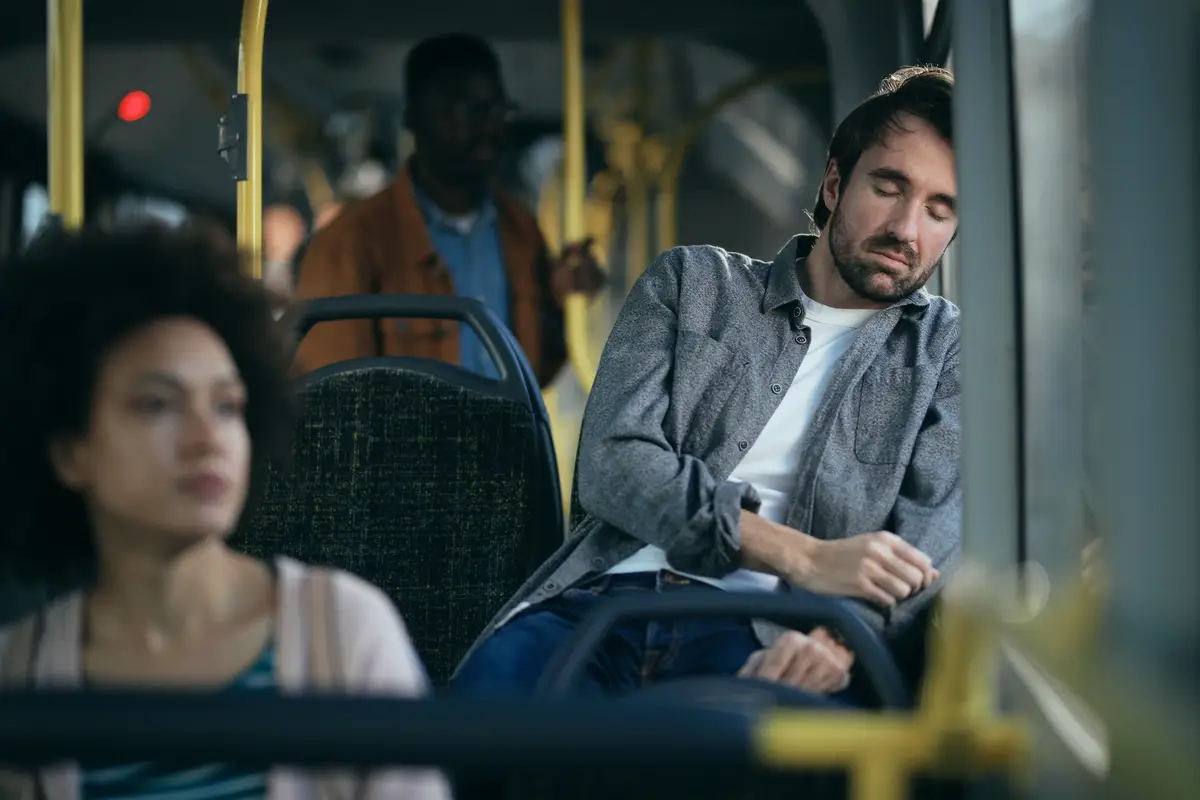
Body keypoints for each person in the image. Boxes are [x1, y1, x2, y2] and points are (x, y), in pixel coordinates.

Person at [453, 66, 961, 701]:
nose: (907, 230)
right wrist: (800, 555)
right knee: (478, 716)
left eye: (940, 211)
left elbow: (932, 542)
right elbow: (612, 465)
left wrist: (838, 643)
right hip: (604, 600)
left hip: (776, 632)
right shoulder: (691, 283)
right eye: (889, 187)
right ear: (835, 183)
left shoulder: (945, 350)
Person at [0, 224, 450, 800]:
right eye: (158, 404)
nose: (206, 438)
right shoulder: (21, 678)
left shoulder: (345, 633)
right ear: (69, 451)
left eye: (226, 406)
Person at [293, 34, 604, 385]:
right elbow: (332, 397)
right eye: (466, 109)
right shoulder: (350, 241)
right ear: (414, 119)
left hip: (511, 441)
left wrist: (561, 303)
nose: (488, 124)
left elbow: (533, 376)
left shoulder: (521, 231)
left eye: (496, 109)